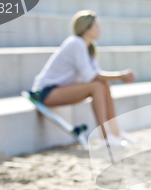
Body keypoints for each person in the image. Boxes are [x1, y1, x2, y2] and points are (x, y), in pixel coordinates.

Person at [30, 10, 136, 147]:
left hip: (61, 90)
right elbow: (89, 76)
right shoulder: (76, 43)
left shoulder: (88, 47)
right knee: (97, 85)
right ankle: (105, 138)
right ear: (86, 29)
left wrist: (120, 76)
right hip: (45, 92)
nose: (100, 30)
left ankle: (116, 133)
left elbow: (96, 73)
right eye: (96, 26)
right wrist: (121, 76)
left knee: (103, 85)